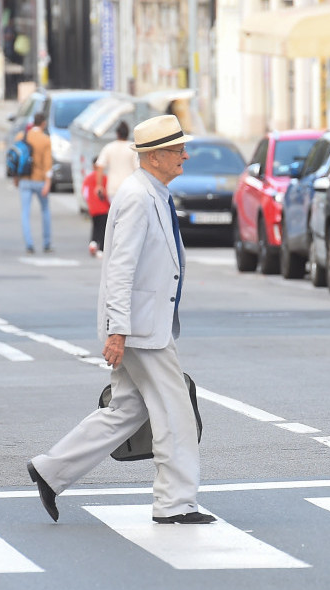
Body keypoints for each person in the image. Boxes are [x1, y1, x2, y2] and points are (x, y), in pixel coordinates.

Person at [27, 114, 214, 525]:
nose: (185, 155)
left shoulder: (154, 192)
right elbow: (120, 268)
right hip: (141, 329)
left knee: (127, 409)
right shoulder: (137, 196)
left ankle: (51, 469)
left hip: (145, 324)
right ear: (157, 156)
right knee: (175, 410)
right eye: (178, 149)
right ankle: (175, 503)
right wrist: (118, 330)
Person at [15, 112, 53, 254]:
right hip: (40, 181)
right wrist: (48, 182)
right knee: (45, 211)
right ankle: (47, 243)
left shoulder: (21, 136)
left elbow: (17, 158)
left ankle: (29, 244)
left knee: (25, 212)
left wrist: (16, 178)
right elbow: (48, 163)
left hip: (24, 179)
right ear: (43, 123)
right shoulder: (45, 140)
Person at [95, 120, 140, 200]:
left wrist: (99, 185)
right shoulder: (132, 148)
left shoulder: (109, 147)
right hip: (130, 188)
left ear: (117, 134)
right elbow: (138, 168)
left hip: (113, 188)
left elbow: (100, 166)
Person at [82, 166, 109, 258]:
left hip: (93, 208)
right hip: (103, 208)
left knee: (95, 226)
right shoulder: (104, 178)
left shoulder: (88, 178)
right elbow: (108, 192)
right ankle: (101, 249)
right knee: (103, 229)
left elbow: (84, 193)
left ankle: (93, 243)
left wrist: (89, 203)